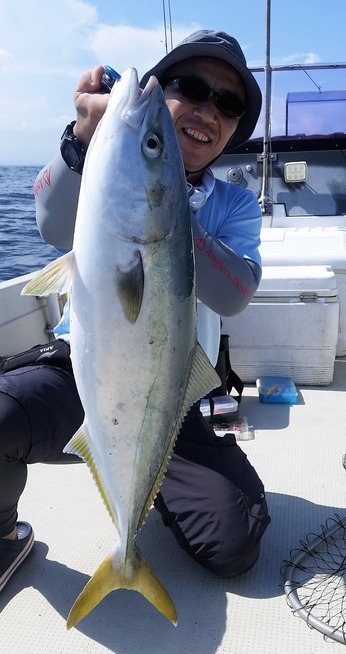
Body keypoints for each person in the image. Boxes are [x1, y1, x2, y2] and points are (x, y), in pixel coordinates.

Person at [0, 30, 270, 593]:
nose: (206, 109)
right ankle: (6, 537)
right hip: (80, 370)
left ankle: (141, 510)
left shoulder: (234, 204)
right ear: (162, 91)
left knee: (236, 542)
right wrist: (81, 143)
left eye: (227, 102)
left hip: (168, 401)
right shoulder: (98, 168)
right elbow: (51, 224)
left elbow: (235, 293)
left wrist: (167, 206)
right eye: (191, 87)